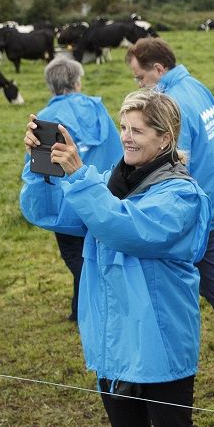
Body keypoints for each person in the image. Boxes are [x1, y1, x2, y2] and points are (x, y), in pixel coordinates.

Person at [19, 90, 214, 427]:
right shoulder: (109, 182)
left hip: (158, 338)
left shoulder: (180, 194)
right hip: (112, 338)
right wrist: (43, 168)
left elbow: (126, 229)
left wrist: (80, 176)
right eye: (124, 127)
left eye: (138, 129)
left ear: (165, 138)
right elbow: (47, 214)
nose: (126, 137)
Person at [127, 38, 214, 383]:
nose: (139, 85)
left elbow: (172, 161)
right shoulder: (196, 86)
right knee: (207, 281)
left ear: (158, 70)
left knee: (206, 283)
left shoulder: (170, 103)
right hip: (212, 196)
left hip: (192, 208)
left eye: (140, 78)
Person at [32, 56, 123, 322]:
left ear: (50, 85)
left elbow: (41, 168)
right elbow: (116, 151)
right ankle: (78, 309)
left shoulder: (45, 120)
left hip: (65, 201)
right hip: (98, 192)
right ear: (78, 82)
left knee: (74, 256)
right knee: (92, 250)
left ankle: (98, 306)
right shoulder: (99, 110)